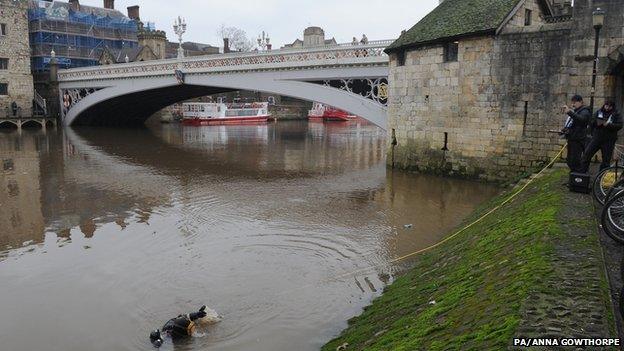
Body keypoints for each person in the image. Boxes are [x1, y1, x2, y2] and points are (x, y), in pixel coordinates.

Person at [581, 101, 622, 172]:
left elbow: (619, 125)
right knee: (587, 154)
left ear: (612, 107)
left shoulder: (616, 114)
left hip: (609, 140)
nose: (607, 108)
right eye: (606, 105)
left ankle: (601, 176)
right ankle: (582, 172)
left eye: (609, 106)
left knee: (606, 160)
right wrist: (597, 123)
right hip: (596, 138)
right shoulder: (599, 112)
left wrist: (608, 125)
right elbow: (591, 121)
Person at [562, 94, 591, 173]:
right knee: (569, 160)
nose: (573, 104)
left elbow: (581, 120)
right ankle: (573, 177)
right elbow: (573, 124)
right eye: (572, 103)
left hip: (578, 139)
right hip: (572, 138)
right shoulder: (577, 111)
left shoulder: (585, 111)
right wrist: (565, 130)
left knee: (575, 160)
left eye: (575, 102)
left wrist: (570, 112)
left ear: (581, 102)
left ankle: (578, 178)